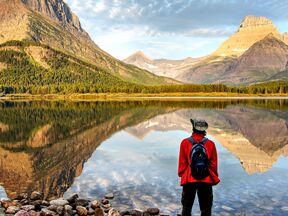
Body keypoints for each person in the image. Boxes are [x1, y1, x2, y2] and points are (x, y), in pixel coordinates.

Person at [178, 119, 220, 216]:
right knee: (206, 209)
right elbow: (213, 165)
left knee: (186, 208)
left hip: (189, 179)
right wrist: (212, 177)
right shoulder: (210, 144)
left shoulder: (185, 142)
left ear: (193, 128)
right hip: (206, 179)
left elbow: (182, 164)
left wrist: (182, 175)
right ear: (204, 129)